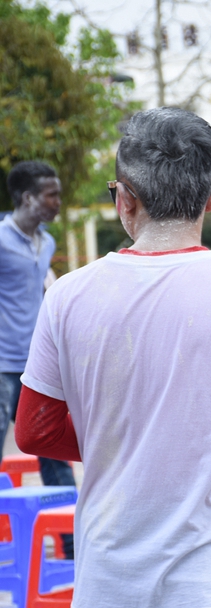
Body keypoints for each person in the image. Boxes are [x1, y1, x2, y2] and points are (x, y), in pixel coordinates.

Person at [16, 107, 211, 608]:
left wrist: (117, 443)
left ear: (125, 199)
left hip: (111, 584)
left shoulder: (66, 295)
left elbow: (34, 431)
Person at [0, 160, 78, 557]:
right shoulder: (1, 239)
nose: (57, 202)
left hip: (35, 366)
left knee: (55, 449)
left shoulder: (45, 243)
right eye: (51, 195)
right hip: (1, 364)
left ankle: (72, 542)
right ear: (27, 197)